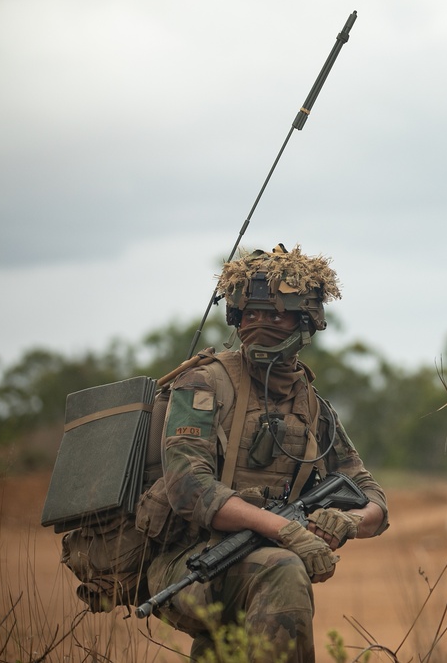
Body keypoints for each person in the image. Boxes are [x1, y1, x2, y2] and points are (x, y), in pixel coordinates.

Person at [136, 244, 388, 663]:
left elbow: (373, 499)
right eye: (250, 315)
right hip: (188, 564)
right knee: (283, 570)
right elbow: (188, 487)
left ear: (305, 321)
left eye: (275, 315)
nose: (260, 325)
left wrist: (346, 521)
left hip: (255, 562)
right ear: (236, 317)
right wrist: (285, 530)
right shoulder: (203, 384)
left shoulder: (312, 406)